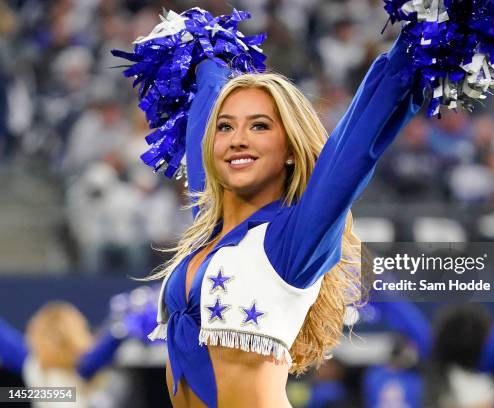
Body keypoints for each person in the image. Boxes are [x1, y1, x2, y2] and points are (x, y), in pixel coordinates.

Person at [139, 19, 418, 408]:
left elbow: (356, 144)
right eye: (225, 127)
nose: (238, 139)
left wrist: (421, 39)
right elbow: (208, 94)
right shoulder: (208, 227)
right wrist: (202, 51)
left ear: (290, 149)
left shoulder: (292, 239)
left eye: (259, 126)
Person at [0, 301, 138, 408]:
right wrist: (122, 326)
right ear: (77, 335)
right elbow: (105, 348)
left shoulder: (32, 366)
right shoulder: (82, 367)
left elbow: (7, 342)